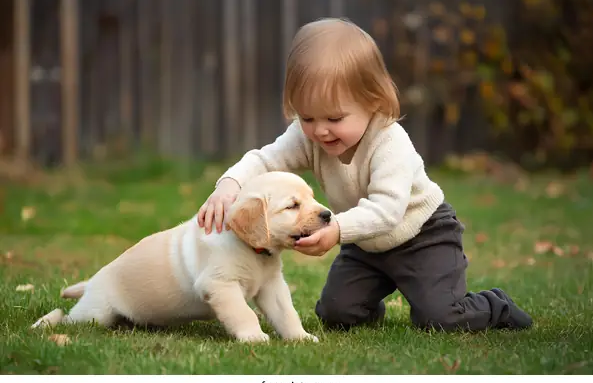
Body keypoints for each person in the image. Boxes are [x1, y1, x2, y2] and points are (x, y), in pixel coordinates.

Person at [197, 17, 532, 332]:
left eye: (334, 118)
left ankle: (495, 305)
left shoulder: (390, 143)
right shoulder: (307, 136)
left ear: (373, 102)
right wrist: (230, 183)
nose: (320, 130)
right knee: (336, 313)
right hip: (364, 243)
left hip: (422, 235)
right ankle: (367, 303)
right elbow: (265, 159)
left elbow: (388, 211)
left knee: (440, 316)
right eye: (308, 117)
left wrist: (337, 230)